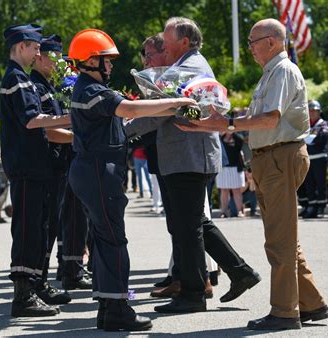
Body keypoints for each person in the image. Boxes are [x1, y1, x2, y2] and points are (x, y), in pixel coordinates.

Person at [177, 18, 328, 330]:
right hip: (271, 159)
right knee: (284, 238)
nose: (249, 48)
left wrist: (228, 125)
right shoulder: (272, 73)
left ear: (271, 42)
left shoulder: (282, 70)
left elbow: (269, 118)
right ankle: (312, 303)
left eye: (252, 41)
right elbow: (252, 117)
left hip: (279, 157)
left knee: (280, 241)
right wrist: (207, 120)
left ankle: (286, 312)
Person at [126, 18, 261, 314]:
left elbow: (163, 110)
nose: (163, 41)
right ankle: (240, 273)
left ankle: (193, 293)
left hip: (187, 156)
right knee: (196, 223)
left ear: (184, 42)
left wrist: (123, 128)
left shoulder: (186, 69)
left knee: (188, 228)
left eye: (167, 36)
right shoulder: (190, 65)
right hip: (189, 155)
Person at [67, 28, 196, 331]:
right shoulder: (90, 90)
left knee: (103, 237)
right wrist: (174, 102)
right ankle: (117, 309)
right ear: (88, 61)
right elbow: (128, 108)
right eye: (105, 61)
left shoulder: (89, 88)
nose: (110, 67)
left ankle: (108, 305)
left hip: (94, 169)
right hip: (98, 170)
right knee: (113, 239)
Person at [0, 23, 72, 318]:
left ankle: (32, 288)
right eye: (34, 47)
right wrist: (71, 119)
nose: (38, 52)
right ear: (20, 47)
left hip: (35, 167)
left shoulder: (22, 78)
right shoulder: (16, 78)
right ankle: (23, 296)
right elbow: (31, 120)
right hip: (26, 167)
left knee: (39, 230)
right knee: (28, 231)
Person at [29, 34, 73, 305]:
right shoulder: (35, 86)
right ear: (39, 56)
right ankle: (37, 283)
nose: (59, 61)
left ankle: (42, 281)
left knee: (51, 226)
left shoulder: (47, 85)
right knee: (43, 227)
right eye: (54, 56)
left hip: (56, 164)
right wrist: (79, 137)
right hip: (45, 164)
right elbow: (48, 131)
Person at [301, 100, 328, 218]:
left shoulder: (324, 124)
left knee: (320, 184)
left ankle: (321, 207)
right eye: (310, 110)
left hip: (319, 158)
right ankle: (311, 206)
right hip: (307, 158)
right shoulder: (304, 124)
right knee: (309, 184)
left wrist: (309, 139)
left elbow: (321, 138)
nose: (312, 113)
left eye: (314, 111)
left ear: (319, 112)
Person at [216, 131, 246, 218]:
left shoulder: (238, 138)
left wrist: (232, 134)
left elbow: (240, 143)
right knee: (224, 191)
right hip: (223, 167)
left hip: (236, 167)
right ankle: (224, 212)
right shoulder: (220, 138)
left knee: (236, 190)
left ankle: (240, 211)